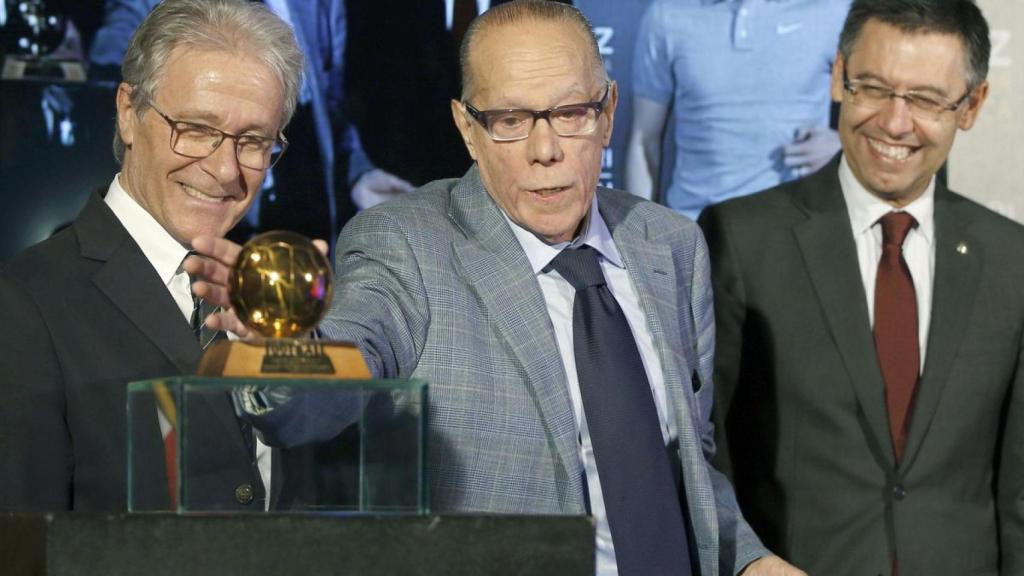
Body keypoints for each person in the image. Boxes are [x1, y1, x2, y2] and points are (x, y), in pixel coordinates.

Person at [192, 2, 801, 574]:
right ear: (467, 128)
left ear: (608, 112)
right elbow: (332, 382)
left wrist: (747, 559)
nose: (546, 150)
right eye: (510, 120)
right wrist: (281, 348)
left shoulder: (669, 245)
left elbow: (685, 466)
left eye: (570, 114)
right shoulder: (405, 245)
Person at [698, 0, 1024, 573]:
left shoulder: (1011, 258)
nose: (895, 123)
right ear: (837, 77)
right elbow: (705, 452)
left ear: (971, 105)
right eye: (872, 88)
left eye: (925, 99)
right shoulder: (742, 238)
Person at [0, 0, 302, 511]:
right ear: (128, 114)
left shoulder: (276, 299)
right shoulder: (26, 302)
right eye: (198, 130)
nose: (226, 170)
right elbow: (24, 545)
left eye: (253, 141)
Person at [89, 0, 413, 244]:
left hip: (305, 231)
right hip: (200, 227)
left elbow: (330, 104)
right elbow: (111, 79)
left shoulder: (318, 5)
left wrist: (358, 173)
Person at [625, 0, 849, 219]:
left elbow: (881, 98)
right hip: (696, 231)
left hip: (796, 229)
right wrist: (636, 237)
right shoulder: (667, 15)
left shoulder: (833, 11)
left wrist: (844, 148)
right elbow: (644, 140)